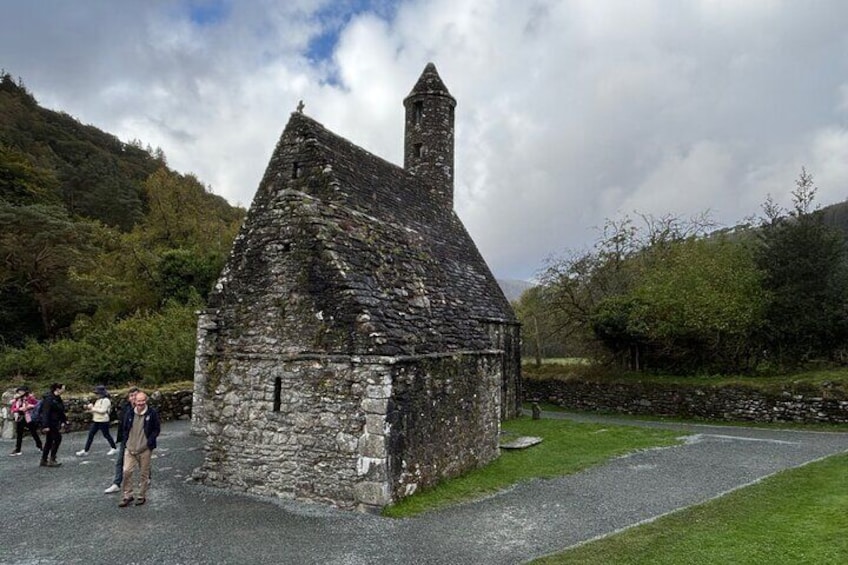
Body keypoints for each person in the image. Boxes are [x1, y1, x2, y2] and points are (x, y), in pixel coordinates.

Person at [118, 391, 160, 507]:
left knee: (144, 474)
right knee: (126, 471)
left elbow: (156, 429)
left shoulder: (152, 413)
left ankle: (141, 496)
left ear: (146, 400)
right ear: (134, 401)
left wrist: (149, 442)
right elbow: (125, 428)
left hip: (145, 449)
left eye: (143, 400)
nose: (140, 403)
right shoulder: (130, 413)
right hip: (130, 448)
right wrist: (126, 441)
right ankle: (128, 495)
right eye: (138, 401)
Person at [104, 387, 138, 494]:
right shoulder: (125, 408)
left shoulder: (143, 408)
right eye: (131, 396)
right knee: (120, 461)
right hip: (126, 439)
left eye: (135, 395)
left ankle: (146, 478)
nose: (133, 398)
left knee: (142, 460)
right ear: (128, 398)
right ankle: (116, 483)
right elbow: (121, 423)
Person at [76, 385, 118, 457]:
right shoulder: (98, 401)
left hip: (103, 421)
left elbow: (103, 411)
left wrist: (92, 408)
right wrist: (89, 409)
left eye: (98, 393)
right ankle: (86, 450)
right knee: (91, 435)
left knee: (106, 435)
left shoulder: (106, 400)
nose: (96, 395)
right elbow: (95, 411)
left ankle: (114, 448)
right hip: (96, 420)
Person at [40, 383, 68, 467]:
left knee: (49, 441)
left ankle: (44, 459)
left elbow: (60, 411)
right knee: (57, 439)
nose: (64, 390)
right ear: (57, 389)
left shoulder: (57, 398)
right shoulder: (49, 399)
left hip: (54, 422)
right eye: (63, 388)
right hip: (51, 423)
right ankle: (52, 459)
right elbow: (45, 412)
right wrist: (45, 426)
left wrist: (64, 420)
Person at [9, 386, 43, 455]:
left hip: (29, 417)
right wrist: (19, 409)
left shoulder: (30, 398)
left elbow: (38, 404)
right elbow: (13, 409)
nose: (20, 393)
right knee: (19, 434)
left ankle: (40, 446)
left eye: (21, 391)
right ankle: (18, 449)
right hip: (20, 417)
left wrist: (31, 406)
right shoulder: (17, 399)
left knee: (33, 432)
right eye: (19, 391)